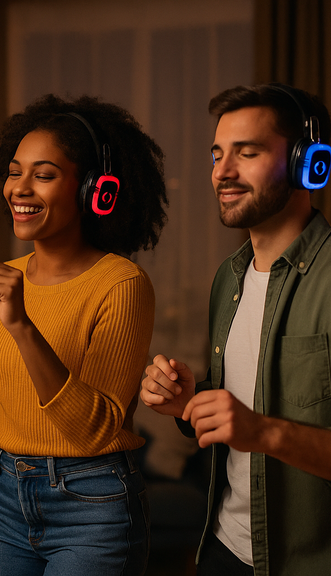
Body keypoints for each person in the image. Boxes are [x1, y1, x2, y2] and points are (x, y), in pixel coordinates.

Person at [0, 94, 168, 575]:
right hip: (2, 493)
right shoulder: (8, 275)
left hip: (92, 505)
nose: (20, 188)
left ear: (95, 190)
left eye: (45, 174)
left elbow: (95, 428)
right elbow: (7, 400)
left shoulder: (121, 285)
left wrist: (21, 325)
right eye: (15, 172)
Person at [140, 83, 331, 576]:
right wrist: (188, 402)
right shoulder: (228, 278)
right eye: (216, 154)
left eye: (246, 153)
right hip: (222, 549)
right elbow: (240, 413)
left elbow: (258, 426)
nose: (221, 172)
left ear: (308, 163)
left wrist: (264, 431)